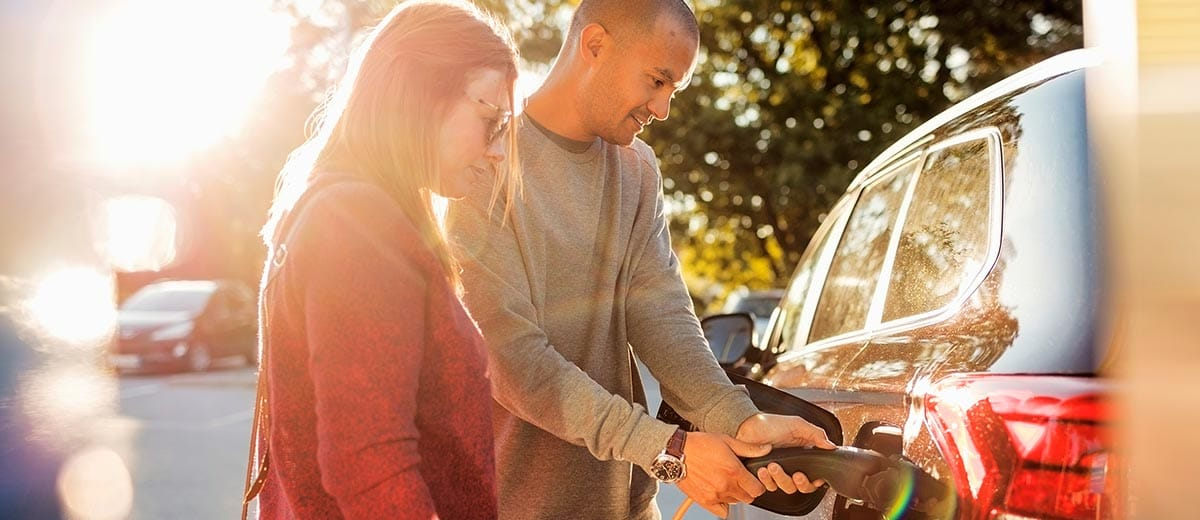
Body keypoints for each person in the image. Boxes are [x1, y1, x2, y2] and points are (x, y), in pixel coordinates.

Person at [447, 1, 836, 519]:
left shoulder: (637, 169)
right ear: (594, 45)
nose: (663, 108)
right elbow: (512, 360)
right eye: (657, 80)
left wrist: (741, 420)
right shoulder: (481, 164)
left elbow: (662, 315)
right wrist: (665, 448)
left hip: (626, 507)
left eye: (674, 89)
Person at [246, 1, 520, 518]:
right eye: (491, 120)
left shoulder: (329, 204)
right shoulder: (359, 222)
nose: (498, 150)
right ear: (418, 97)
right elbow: (370, 464)